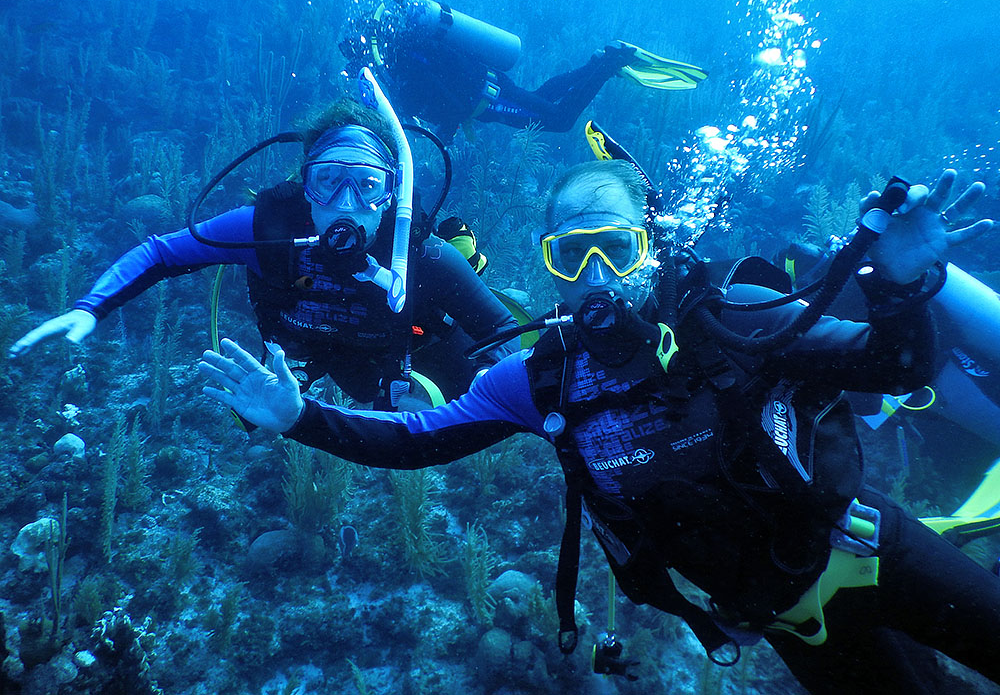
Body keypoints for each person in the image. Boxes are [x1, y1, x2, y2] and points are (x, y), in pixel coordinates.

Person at [199, 157, 1000, 693]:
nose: (593, 279)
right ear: (548, 263)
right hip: (792, 626)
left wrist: (902, 284)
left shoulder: (741, 317)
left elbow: (891, 367)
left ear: (651, 248)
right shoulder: (540, 378)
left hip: (878, 553)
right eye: (568, 255)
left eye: (613, 249)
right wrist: (299, 415)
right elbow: (416, 441)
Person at [10, 88, 519, 408]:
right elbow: (160, 253)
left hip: (406, 358)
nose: (347, 203)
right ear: (304, 186)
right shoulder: (267, 230)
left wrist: (456, 390)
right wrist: (90, 308)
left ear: (391, 197)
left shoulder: (421, 255)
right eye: (328, 181)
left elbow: (501, 332)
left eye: (366, 185)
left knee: (425, 405)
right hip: (314, 358)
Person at [776, 172, 1000, 543]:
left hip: (932, 360)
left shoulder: (804, 322)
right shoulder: (841, 270)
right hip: (931, 331)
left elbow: (869, 399)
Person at [341, 0, 708, 141]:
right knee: (540, 97)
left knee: (560, 119)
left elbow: (445, 96)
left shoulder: (405, 64)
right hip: (490, 86)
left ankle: (612, 62)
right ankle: (598, 62)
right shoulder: (406, 55)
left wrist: (447, 129)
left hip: (488, 99)